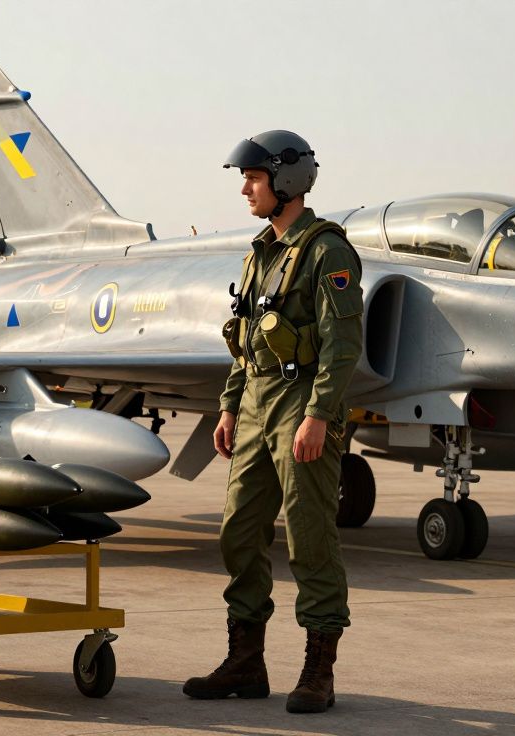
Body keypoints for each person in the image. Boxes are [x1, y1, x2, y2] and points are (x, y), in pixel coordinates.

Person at [183, 130, 363, 714]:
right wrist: (230, 404)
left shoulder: (327, 252)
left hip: (302, 405)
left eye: (254, 179)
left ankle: (318, 670)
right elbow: (246, 339)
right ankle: (245, 661)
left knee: (309, 535)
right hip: (257, 405)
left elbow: (341, 346)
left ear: (286, 182)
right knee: (238, 529)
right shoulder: (261, 251)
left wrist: (319, 416)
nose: (245, 189)